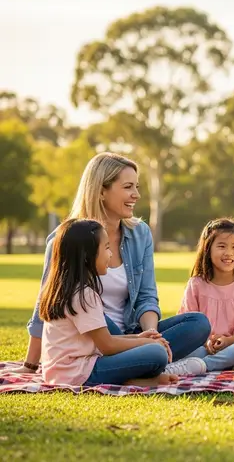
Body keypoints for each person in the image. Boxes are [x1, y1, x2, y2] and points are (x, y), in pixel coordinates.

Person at [12, 152, 210, 374]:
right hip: (92, 338)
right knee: (97, 312)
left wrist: (150, 335)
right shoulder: (67, 239)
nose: (136, 195)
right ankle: (149, 362)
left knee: (198, 324)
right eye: (128, 187)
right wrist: (30, 365)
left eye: (137, 187)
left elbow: (146, 296)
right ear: (101, 191)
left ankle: (143, 360)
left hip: (131, 333)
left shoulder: (140, 233)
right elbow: (47, 302)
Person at [41, 218, 179, 386]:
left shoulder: (67, 288)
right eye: (106, 248)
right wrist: (148, 342)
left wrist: (138, 337)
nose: (111, 254)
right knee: (157, 353)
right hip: (76, 373)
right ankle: (133, 380)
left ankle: (133, 379)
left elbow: (105, 339)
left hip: (59, 372)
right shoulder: (84, 294)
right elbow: (107, 346)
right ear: (87, 256)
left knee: (153, 348)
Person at [162, 218, 234, 375]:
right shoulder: (196, 284)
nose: (229, 253)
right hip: (204, 348)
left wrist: (228, 341)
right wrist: (208, 343)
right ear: (207, 249)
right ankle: (233, 363)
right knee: (194, 354)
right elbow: (188, 325)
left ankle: (205, 366)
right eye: (222, 246)